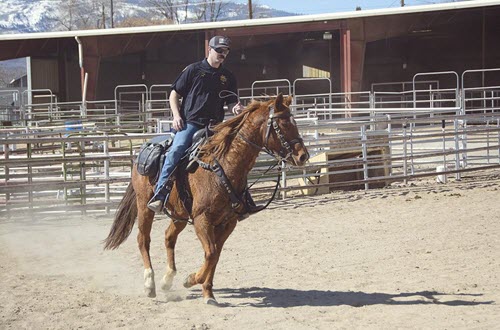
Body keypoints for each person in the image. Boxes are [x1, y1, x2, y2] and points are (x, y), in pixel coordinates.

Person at [148, 35, 252, 213]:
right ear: (209, 50)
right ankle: (160, 193)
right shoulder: (193, 70)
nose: (222, 54)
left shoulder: (227, 77)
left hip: (215, 126)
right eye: (219, 50)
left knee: (235, 154)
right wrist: (176, 116)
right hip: (191, 123)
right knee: (177, 149)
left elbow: (231, 101)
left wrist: (235, 108)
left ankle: (242, 197)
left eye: (225, 51)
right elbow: (174, 93)